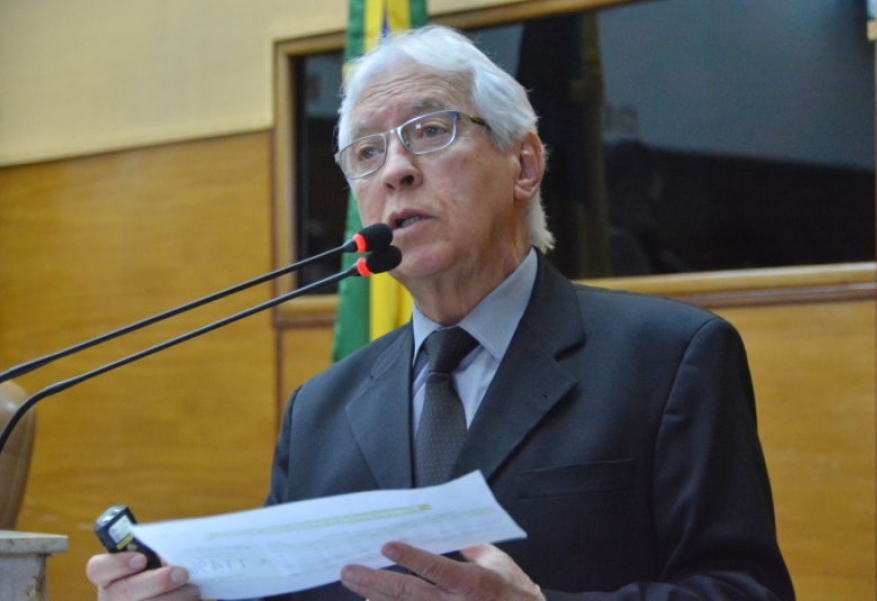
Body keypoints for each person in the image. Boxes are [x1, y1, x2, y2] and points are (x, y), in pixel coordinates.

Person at [86, 24, 794, 601]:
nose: (395, 169)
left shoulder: (670, 358)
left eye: (429, 130)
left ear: (524, 166)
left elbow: (746, 591)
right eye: (368, 152)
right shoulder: (319, 412)